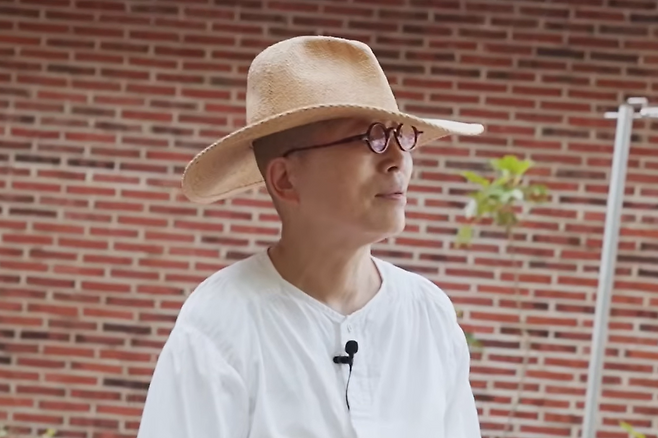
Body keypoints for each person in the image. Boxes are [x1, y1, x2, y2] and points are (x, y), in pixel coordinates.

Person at [137, 35, 484, 438]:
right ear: (286, 179)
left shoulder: (428, 314)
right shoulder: (222, 322)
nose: (398, 160)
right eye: (371, 138)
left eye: (400, 135)